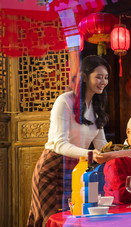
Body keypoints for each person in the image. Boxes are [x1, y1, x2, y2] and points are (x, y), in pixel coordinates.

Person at [27, 55, 116, 226]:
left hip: (76, 170)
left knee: (74, 220)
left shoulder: (96, 108)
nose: (103, 82)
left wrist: (127, 150)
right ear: (84, 77)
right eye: (98, 77)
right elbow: (59, 144)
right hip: (51, 170)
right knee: (52, 221)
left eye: (106, 78)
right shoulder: (65, 101)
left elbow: (102, 146)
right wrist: (91, 154)